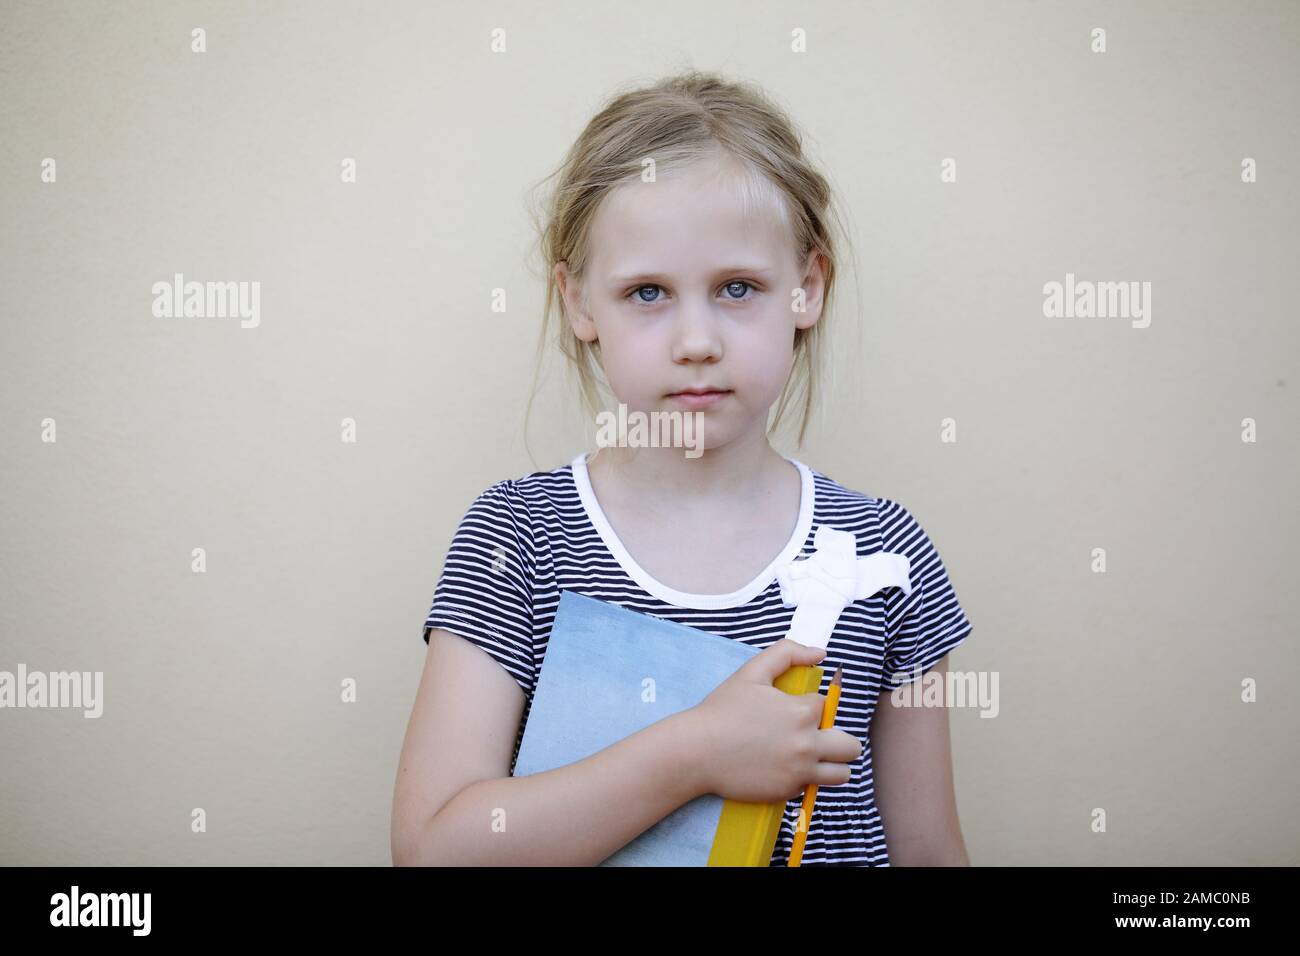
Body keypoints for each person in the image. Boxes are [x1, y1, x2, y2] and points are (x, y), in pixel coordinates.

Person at [391, 70, 974, 866]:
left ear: (806, 289)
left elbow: (930, 852)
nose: (695, 339)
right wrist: (695, 755)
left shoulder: (883, 551)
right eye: (647, 292)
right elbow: (433, 852)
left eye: (738, 287)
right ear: (579, 303)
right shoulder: (517, 537)